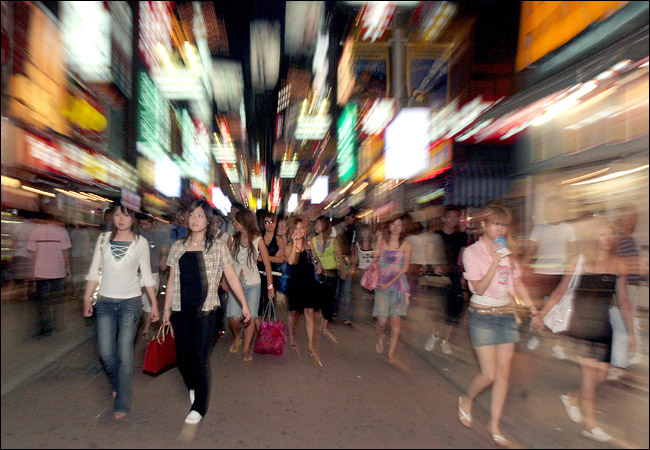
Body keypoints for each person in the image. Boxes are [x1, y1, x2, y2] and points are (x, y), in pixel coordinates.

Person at [531, 218, 636, 442]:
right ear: (593, 237)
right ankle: (590, 425)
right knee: (590, 376)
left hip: (604, 325)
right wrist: (541, 314)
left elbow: (623, 302)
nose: (606, 239)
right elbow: (560, 291)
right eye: (602, 234)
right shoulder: (579, 261)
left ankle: (572, 397)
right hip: (581, 325)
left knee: (603, 374)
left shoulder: (619, 266)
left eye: (610, 234)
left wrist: (631, 332)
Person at [162, 199, 251, 439]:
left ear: (208, 220)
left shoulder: (218, 247)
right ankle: (194, 386)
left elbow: (231, 277)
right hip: (181, 311)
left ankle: (199, 407)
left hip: (207, 311)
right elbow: (171, 280)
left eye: (199, 215)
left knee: (200, 358)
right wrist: (166, 310)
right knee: (182, 359)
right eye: (191, 215)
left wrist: (244, 304)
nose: (194, 219)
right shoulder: (178, 246)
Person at [458, 203, 537, 448]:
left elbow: (517, 282)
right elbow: (479, 288)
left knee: (504, 373)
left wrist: (534, 309)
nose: (500, 228)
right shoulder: (471, 252)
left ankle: (495, 426)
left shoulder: (507, 251)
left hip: (505, 314)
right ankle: (466, 399)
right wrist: (494, 261)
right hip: (482, 314)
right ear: (484, 225)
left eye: (504, 224)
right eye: (496, 223)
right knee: (489, 374)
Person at [83, 203, 159, 420]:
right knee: (105, 352)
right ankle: (117, 382)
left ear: (133, 219)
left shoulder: (140, 242)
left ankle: (122, 401)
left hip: (130, 303)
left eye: (125, 215)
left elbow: (146, 276)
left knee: (124, 352)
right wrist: (87, 298)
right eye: (117, 214)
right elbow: (93, 272)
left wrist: (153, 304)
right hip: (105, 302)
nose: (121, 219)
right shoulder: (103, 240)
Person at [523, 195, 577, 357]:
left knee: (559, 309)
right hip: (540, 275)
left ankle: (558, 343)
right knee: (538, 308)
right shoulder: (538, 229)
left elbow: (573, 253)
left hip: (559, 275)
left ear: (561, 210)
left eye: (555, 208)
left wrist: (571, 271)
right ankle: (536, 335)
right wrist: (523, 267)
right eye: (549, 209)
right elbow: (530, 252)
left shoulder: (569, 229)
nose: (552, 212)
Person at [226, 209, 275, 361]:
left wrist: (270, 287)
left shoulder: (258, 240)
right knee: (234, 317)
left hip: (253, 284)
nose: (233, 224)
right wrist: (224, 280)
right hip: (235, 285)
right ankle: (237, 336)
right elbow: (226, 263)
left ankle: (246, 348)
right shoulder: (232, 240)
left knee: (251, 317)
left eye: (236, 221)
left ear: (244, 222)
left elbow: (267, 265)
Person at [425, 206, 469, 355]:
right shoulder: (435, 235)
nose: (452, 220)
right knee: (433, 308)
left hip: (453, 275)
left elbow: (463, 257)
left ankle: (446, 341)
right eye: (449, 217)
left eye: (455, 217)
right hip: (436, 275)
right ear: (443, 218)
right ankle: (434, 334)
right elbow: (429, 254)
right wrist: (434, 265)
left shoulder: (462, 236)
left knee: (454, 309)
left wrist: (464, 276)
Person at [373, 215, 412, 366]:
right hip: (381, 285)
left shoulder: (406, 245)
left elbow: (405, 268)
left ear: (403, 228)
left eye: (399, 225)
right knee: (382, 320)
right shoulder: (383, 242)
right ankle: (380, 336)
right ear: (389, 226)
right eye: (394, 224)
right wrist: (378, 238)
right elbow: (375, 256)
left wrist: (390, 282)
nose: (396, 227)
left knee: (396, 320)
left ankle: (391, 353)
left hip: (398, 287)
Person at [609, 204, 642, 376]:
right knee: (621, 323)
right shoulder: (620, 238)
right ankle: (616, 364)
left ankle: (626, 356)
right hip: (624, 286)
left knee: (629, 321)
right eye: (628, 216)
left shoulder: (630, 238)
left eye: (634, 217)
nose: (632, 220)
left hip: (632, 285)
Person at [285, 218, 322, 366]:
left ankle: (311, 344)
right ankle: (291, 336)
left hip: (308, 283)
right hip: (295, 284)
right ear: (291, 231)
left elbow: (315, 258)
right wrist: (295, 244)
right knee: (293, 312)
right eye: (296, 228)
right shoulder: (289, 246)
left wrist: (318, 263)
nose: (299, 231)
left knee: (309, 312)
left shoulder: (309, 244)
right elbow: (291, 261)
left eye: (301, 228)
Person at [28, 213, 72, 337]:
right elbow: (66, 252)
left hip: (41, 272)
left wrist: (33, 270)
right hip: (58, 271)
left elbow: (33, 253)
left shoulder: (35, 232)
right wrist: (68, 267)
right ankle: (58, 324)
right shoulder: (62, 232)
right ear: (54, 219)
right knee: (57, 300)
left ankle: (46, 328)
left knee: (43, 301)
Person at [312, 216, 347, 343]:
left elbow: (339, 256)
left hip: (332, 272)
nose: (316, 226)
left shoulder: (333, 241)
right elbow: (314, 258)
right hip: (319, 274)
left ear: (325, 226)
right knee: (319, 299)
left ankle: (324, 326)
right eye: (315, 224)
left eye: (318, 224)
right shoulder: (313, 241)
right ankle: (320, 324)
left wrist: (342, 270)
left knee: (329, 300)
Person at [137, 213, 169, 339]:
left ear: (153, 223)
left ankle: (146, 328)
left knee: (149, 301)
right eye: (142, 224)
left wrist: (164, 258)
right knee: (137, 300)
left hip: (153, 272)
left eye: (146, 224)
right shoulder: (137, 234)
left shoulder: (161, 235)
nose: (144, 226)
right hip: (137, 272)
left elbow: (165, 250)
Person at [257, 212, 286, 327]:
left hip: (273, 275)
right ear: (263, 224)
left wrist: (264, 257)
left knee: (269, 304)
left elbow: (281, 259)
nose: (270, 225)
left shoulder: (279, 240)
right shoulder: (259, 238)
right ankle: (260, 332)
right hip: (258, 274)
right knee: (257, 305)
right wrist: (273, 258)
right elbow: (255, 257)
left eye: (272, 222)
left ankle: (267, 331)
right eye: (267, 222)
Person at [352, 224, 376, 321]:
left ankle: (373, 312)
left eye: (367, 231)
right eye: (363, 231)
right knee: (364, 294)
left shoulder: (374, 244)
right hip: (362, 272)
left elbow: (376, 258)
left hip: (372, 273)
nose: (365, 233)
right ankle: (367, 314)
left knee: (373, 294)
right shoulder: (357, 245)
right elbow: (355, 259)